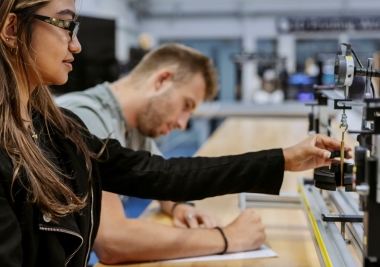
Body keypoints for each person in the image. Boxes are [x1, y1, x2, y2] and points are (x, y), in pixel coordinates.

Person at [0, 0, 351, 267]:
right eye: (64, 26)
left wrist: (283, 159)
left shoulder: (54, 127)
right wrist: (224, 238)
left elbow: (160, 174)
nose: (75, 45)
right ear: (10, 28)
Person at [56, 43, 270, 264]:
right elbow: (112, 241)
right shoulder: (85, 118)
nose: (182, 123)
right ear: (161, 81)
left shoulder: (135, 127)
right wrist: (227, 238)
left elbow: (164, 185)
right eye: (186, 105)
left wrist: (180, 207)